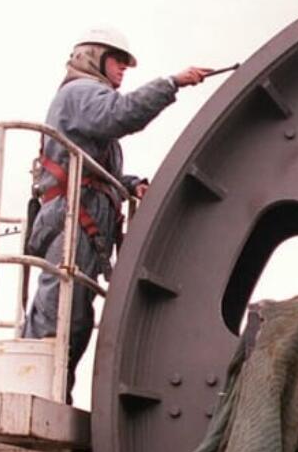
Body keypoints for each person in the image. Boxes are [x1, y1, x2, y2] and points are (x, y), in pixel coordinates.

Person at [22, 27, 211, 401]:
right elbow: (120, 116)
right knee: (59, 311)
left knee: (73, 316)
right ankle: (35, 392)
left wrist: (128, 184)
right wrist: (172, 83)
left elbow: (95, 168)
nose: (123, 70)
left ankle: (53, 395)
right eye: (118, 62)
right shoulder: (81, 93)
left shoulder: (83, 101)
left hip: (81, 219)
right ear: (94, 57)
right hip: (72, 218)